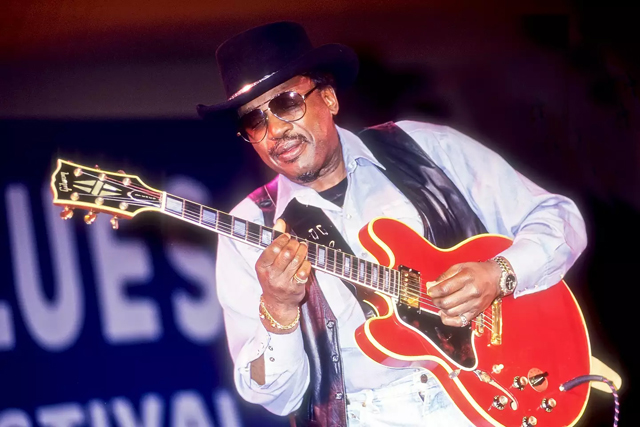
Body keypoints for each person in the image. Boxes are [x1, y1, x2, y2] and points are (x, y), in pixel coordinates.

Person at [197, 22, 587, 426]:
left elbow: (559, 218)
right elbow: (278, 397)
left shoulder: (424, 148)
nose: (275, 130)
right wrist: (278, 310)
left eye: (287, 103)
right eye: (255, 122)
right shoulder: (248, 226)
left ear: (328, 97)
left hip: (487, 399)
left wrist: (499, 273)